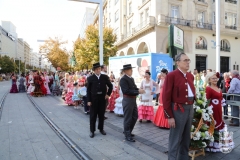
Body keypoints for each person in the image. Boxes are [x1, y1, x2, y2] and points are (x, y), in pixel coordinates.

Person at [162, 53, 195, 160]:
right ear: (177, 62)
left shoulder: (190, 76)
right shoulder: (171, 76)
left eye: (188, 60)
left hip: (189, 108)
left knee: (186, 138)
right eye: (185, 60)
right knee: (175, 138)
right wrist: (169, 116)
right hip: (177, 110)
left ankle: (183, 157)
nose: (187, 62)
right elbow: (166, 97)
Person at [205, 72, 234, 152]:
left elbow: (221, 101)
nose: (215, 80)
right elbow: (206, 101)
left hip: (218, 110)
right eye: (213, 78)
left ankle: (220, 144)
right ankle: (211, 145)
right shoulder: (208, 88)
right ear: (209, 80)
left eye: (216, 78)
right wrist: (209, 112)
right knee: (212, 125)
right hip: (212, 111)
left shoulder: (218, 88)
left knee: (220, 125)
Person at [120, 64, 145, 142]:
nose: (132, 71)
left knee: (135, 116)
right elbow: (126, 91)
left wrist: (138, 89)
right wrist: (137, 91)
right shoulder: (123, 79)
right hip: (128, 100)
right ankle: (127, 134)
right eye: (130, 69)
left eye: (131, 69)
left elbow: (133, 88)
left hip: (133, 100)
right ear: (125, 71)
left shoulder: (131, 78)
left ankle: (128, 131)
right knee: (128, 118)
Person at [87, 62, 113, 138]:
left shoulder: (105, 77)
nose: (98, 70)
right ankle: (92, 131)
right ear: (94, 70)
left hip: (102, 99)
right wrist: (89, 100)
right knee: (93, 116)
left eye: (99, 69)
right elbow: (88, 90)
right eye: (96, 69)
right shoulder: (90, 78)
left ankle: (101, 128)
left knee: (101, 115)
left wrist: (108, 94)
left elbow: (110, 86)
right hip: (93, 99)